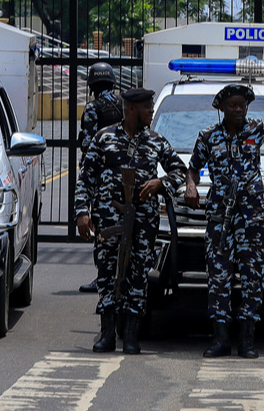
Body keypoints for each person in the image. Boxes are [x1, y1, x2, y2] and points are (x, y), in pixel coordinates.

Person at [74, 87, 187, 354]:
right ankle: (107, 334)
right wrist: (82, 212)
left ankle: (131, 336)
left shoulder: (156, 141)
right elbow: (86, 177)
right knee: (107, 273)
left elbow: (180, 170)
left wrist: (160, 183)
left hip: (143, 221)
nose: (151, 111)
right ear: (132, 109)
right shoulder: (104, 138)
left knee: (139, 275)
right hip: (109, 218)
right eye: (148, 107)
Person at [184, 84, 264, 359]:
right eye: (233, 105)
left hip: (251, 217)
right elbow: (193, 168)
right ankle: (220, 340)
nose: (239, 109)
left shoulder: (256, 129)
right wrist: (190, 186)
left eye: (242, 105)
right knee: (219, 277)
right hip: (220, 217)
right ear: (221, 108)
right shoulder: (208, 136)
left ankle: (247, 340)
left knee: (253, 276)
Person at [77, 62, 125, 293]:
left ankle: (103, 277)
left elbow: (87, 143)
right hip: (124, 175)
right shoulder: (123, 104)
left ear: (92, 86)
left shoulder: (92, 108)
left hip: (100, 177)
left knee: (102, 228)